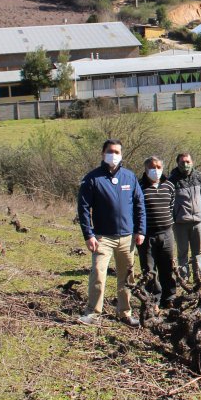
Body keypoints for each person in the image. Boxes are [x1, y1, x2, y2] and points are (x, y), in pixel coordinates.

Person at [76, 139, 145, 327]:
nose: (113, 155)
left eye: (117, 152)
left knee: (127, 277)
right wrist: (88, 235)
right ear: (103, 153)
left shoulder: (129, 177)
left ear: (121, 154)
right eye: (110, 151)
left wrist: (141, 230)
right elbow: (83, 209)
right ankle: (92, 312)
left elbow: (139, 205)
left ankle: (125, 312)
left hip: (127, 237)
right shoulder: (92, 179)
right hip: (102, 237)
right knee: (98, 273)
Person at [137, 156, 178, 310]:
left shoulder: (169, 186)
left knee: (167, 267)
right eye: (152, 167)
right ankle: (153, 300)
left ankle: (169, 298)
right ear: (146, 169)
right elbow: (136, 209)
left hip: (167, 233)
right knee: (149, 269)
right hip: (147, 234)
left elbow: (171, 207)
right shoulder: (139, 186)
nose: (156, 170)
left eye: (159, 167)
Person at [169, 153, 201, 284]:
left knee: (198, 250)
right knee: (182, 251)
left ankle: (200, 275)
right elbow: (169, 201)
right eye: (182, 162)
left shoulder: (199, 177)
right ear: (177, 163)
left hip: (198, 220)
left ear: (192, 161)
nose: (186, 164)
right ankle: (183, 277)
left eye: (188, 161)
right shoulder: (172, 180)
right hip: (180, 222)